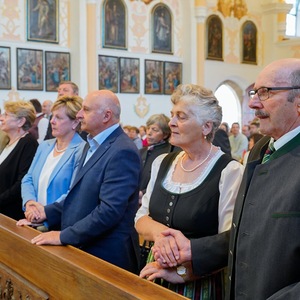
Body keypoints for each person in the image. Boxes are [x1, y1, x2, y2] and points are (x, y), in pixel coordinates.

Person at [135, 84, 244, 299]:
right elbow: (141, 217)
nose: (172, 123)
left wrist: (184, 272)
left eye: (181, 117)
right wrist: (161, 237)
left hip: (199, 282)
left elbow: (228, 241)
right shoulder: (162, 163)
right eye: (172, 115)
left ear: (206, 127)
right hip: (154, 272)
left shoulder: (229, 171)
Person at [22, 90, 142, 274]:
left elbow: (109, 211)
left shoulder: (122, 150)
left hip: (107, 255)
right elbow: (77, 197)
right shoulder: (90, 144)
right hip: (87, 247)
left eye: (85, 110)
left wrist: (63, 236)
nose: (79, 115)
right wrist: (43, 213)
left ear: (106, 116)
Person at [227, 58, 300, 299]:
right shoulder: (260, 149)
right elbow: (248, 231)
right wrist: (192, 255)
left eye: (265, 92)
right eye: (254, 92)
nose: (253, 103)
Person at [18, 96, 85, 230]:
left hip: (60, 226)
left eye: (58, 118)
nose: (52, 122)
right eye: (52, 117)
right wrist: (30, 203)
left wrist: (45, 213)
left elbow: (73, 193)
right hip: (33, 221)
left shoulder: (81, 150)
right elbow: (28, 178)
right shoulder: (45, 146)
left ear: (75, 123)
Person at [0, 100, 38, 220]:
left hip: (12, 213)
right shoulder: (7, 141)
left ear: (21, 121)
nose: (1, 118)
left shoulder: (28, 144)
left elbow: (22, 183)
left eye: (6, 115)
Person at [139, 114, 174, 196]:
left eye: (154, 130)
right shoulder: (141, 151)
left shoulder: (168, 154)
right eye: (148, 128)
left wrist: (143, 193)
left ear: (165, 134)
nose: (149, 133)